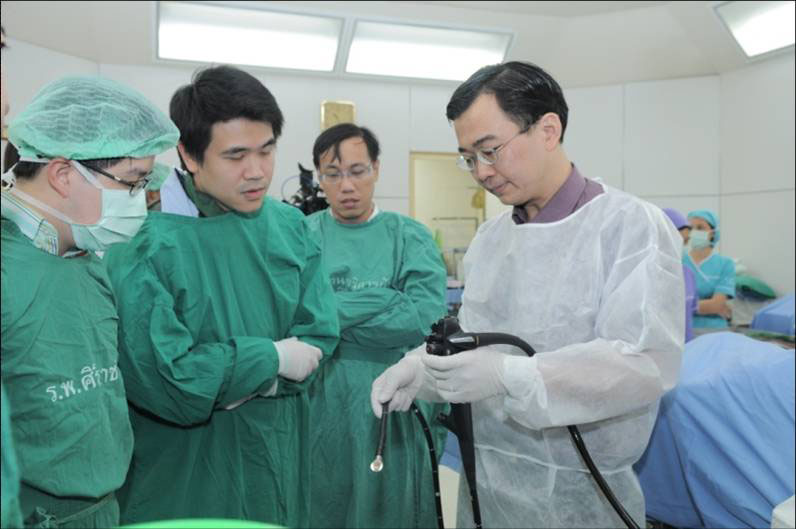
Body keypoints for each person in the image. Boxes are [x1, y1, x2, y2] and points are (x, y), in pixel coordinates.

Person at [370, 61, 684, 528]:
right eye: (468, 157)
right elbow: (476, 349)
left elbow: (641, 366)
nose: (480, 171)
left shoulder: (628, 227)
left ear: (548, 129)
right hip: (489, 492)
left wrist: (511, 376)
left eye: (490, 150)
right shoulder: (491, 241)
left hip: (586, 497)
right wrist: (424, 372)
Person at [102, 65, 340, 527]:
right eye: (235, 156)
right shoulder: (143, 247)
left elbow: (318, 338)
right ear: (189, 155)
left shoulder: (290, 228)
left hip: (278, 456)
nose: (257, 172)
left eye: (267, 150)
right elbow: (169, 380)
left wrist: (232, 376)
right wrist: (267, 361)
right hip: (186, 472)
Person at [1, 75, 179, 528]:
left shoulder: (87, 259)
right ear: (63, 174)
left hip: (101, 508)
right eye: (133, 182)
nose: (142, 200)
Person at [304, 123, 449, 528]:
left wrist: (331, 316)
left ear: (377, 169)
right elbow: (294, 315)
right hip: (321, 399)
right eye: (332, 175)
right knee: (325, 498)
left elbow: (423, 318)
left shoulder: (410, 238)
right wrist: (385, 298)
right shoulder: (302, 236)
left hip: (395, 394)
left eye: (357, 170)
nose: (346, 185)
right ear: (319, 177)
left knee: (390, 504)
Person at [684, 209, 735, 330]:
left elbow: (717, 305)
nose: (694, 232)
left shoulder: (725, 264)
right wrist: (707, 306)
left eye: (700, 228)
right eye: (691, 228)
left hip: (714, 329)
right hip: (682, 328)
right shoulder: (679, 261)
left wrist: (683, 307)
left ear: (712, 233)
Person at [663, 208, 698, 342]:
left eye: (686, 241)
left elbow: (690, 314)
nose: (683, 246)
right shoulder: (646, 273)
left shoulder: (688, 274)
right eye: (679, 240)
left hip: (687, 347)